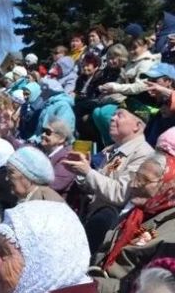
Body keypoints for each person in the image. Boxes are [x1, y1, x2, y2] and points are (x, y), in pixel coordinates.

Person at [89, 150, 175, 293]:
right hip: (96, 292)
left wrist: (90, 287)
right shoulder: (135, 214)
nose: (134, 184)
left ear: (168, 187)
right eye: (135, 176)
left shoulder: (170, 235)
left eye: (144, 180)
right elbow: (102, 255)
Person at [65, 105, 154, 251]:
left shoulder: (143, 155)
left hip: (108, 234)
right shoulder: (114, 150)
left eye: (120, 115)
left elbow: (121, 194)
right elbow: (98, 186)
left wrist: (88, 172)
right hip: (93, 220)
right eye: (114, 115)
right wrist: (81, 171)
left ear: (137, 126)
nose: (112, 118)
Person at [39, 118, 76, 197]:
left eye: (48, 132)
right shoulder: (45, 153)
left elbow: (56, 184)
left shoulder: (67, 158)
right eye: (43, 131)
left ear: (61, 139)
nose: (43, 135)